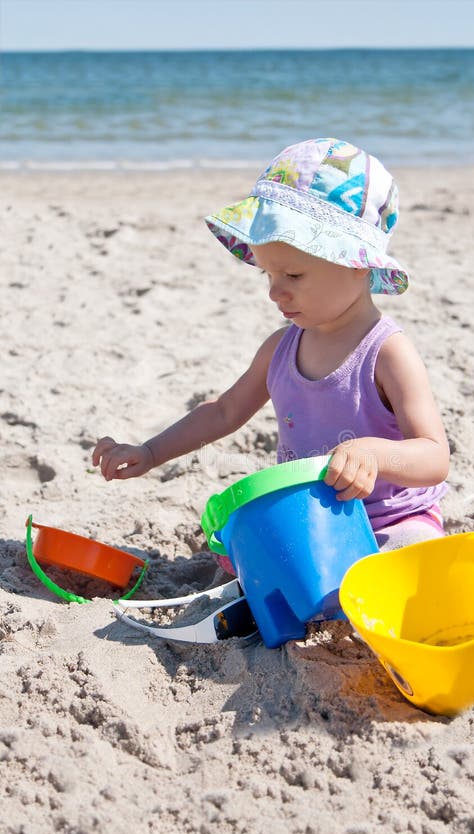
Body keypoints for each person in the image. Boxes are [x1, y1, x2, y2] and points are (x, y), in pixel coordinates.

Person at [93, 137, 449, 554]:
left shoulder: (386, 352)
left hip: (392, 520)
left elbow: (434, 457)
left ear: (358, 265)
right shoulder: (281, 348)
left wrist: (374, 454)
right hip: (314, 522)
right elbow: (224, 411)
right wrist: (151, 451)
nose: (275, 293)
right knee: (249, 556)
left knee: (412, 555)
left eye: (293, 276)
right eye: (268, 276)